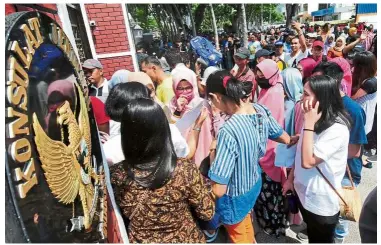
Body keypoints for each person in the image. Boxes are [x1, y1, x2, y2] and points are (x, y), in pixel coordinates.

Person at [110, 98, 214, 243]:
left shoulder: (116, 174)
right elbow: (207, 213)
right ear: (163, 130)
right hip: (185, 238)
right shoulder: (184, 169)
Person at [206, 70, 292, 243]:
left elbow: (219, 189)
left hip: (234, 196)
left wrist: (212, 152)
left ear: (215, 97)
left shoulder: (228, 131)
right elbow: (282, 136)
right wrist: (293, 139)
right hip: (253, 184)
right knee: (245, 221)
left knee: (238, 233)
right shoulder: (260, 110)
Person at [283, 75, 352, 243]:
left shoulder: (336, 129)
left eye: (306, 94)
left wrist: (308, 124)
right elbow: (301, 152)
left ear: (322, 98)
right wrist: (290, 179)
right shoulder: (315, 119)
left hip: (321, 203)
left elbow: (307, 162)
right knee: (313, 235)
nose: (301, 97)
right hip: (303, 193)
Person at [311, 62, 367, 243]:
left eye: (318, 80)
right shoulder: (318, 104)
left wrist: (319, 152)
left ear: (333, 83)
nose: (312, 85)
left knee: (341, 216)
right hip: (321, 168)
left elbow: (355, 151)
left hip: (344, 173)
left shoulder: (353, 110)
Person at [254, 59, 289, 237]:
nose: (259, 77)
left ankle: (274, 225)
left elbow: (270, 125)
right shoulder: (268, 89)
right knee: (266, 192)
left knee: (271, 191)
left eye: (262, 74)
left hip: (270, 149)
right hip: (266, 147)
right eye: (258, 73)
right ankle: (267, 222)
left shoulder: (274, 92)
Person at [169, 71, 214, 166]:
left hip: (200, 148)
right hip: (180, 153)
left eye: (188, 88)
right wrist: (178, 110)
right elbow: (170, 129)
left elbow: (208, 132)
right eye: (180, 88)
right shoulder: (171, 105)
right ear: (174, 88)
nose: (185, 92)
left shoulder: (202, 105)